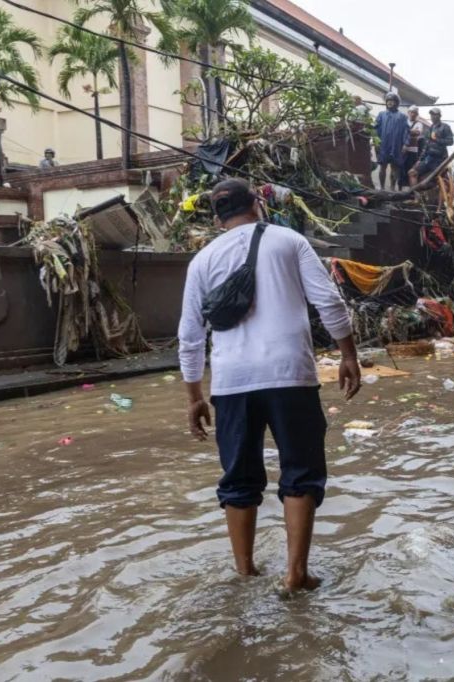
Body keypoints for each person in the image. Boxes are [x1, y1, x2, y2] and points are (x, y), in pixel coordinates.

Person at [178, 178, 361, 592]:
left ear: (217, 219)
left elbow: (189, 336)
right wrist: (348, 355)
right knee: (301, 471)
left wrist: (194, 397)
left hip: (231, 383)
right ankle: (296, 574)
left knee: (238, 479)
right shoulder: (289, 241)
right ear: (258, 205)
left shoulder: (203, 260)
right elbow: (328, 301)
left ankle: (245, 573)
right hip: (290, 375)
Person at [374, 92, 409, 191]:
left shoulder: (402, 116)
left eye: (392, 101)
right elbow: (375, 129)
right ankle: (382, 188)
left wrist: (405, 144)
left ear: (396, 103)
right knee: (382, 167)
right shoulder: (381, 114)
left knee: (395, 167)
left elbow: (406, 131)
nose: (389, 103)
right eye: (388, 101)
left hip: (397, 145)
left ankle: (392, 188)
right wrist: (376, 142)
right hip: (383, 145)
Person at [410, 107, 454, 185]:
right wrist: (420, 160)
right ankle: (414, 192)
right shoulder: (430, 129)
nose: (432, 116)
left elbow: (450, 141)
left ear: (439, 116)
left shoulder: (445, 127)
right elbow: (426, 146)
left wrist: (437, 139)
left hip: (439, 159)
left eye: (435, 114)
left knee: (439, 179)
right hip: (429, 158)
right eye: (431, 115)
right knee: (412, 172)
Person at [401, 105, 428, 188]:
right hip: (403, 149)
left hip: (413, 150)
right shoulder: (404, 121)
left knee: (411, 169)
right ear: (408, 113)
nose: (413, 114)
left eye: (415, 113)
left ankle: (410, 189)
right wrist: (411, 131)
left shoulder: (419, 123)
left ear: (417, 114)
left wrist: (406, 130)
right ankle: (400, 187)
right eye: (411, 112)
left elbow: (417, 133)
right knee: (401, 169)